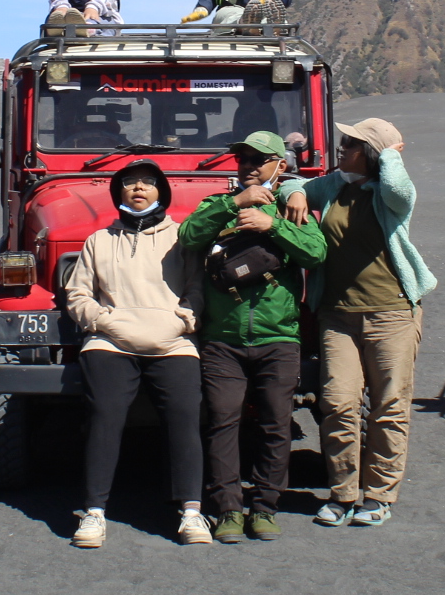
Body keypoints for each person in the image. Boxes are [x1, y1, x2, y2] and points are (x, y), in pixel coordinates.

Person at [280, 118, 436, 527]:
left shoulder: (390, 193)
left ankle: (379, 495)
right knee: (338, 403)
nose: (341, 149)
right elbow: (289, 185)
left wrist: (388, 153)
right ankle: (343, 493)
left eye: (350, 144)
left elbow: (400, 191)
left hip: (393, 314)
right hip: (337, 316)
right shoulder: (335, 185)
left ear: (370, 154)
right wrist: (296, 191)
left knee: (388, 407)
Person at [177, 131, 326, 542]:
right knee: (223, 422)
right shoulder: (219, 206)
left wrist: (272, 225)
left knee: (276, 424)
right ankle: (227, 510)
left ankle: (264, 507)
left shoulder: (292, 208)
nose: (250, 166)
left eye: (259, 160)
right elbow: (188, 236)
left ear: (281, 164)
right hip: (222, 339)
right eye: (243, 159)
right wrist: (234, 203)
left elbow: (315, 253)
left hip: (278, 337)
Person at [62, 160, 212, 547]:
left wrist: (181, 322)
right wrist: (103, 321)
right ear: (119, 194)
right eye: (130, 183)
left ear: (161, 191)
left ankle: (192, 513)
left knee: (185, 418)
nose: (139, 189)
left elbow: (197, 290)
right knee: (104, 416)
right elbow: (77, 294)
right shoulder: (99, 240)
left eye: (148, 183)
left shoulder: (182, 238)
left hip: (173, 341)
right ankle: (94, 513)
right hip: (110, 341)